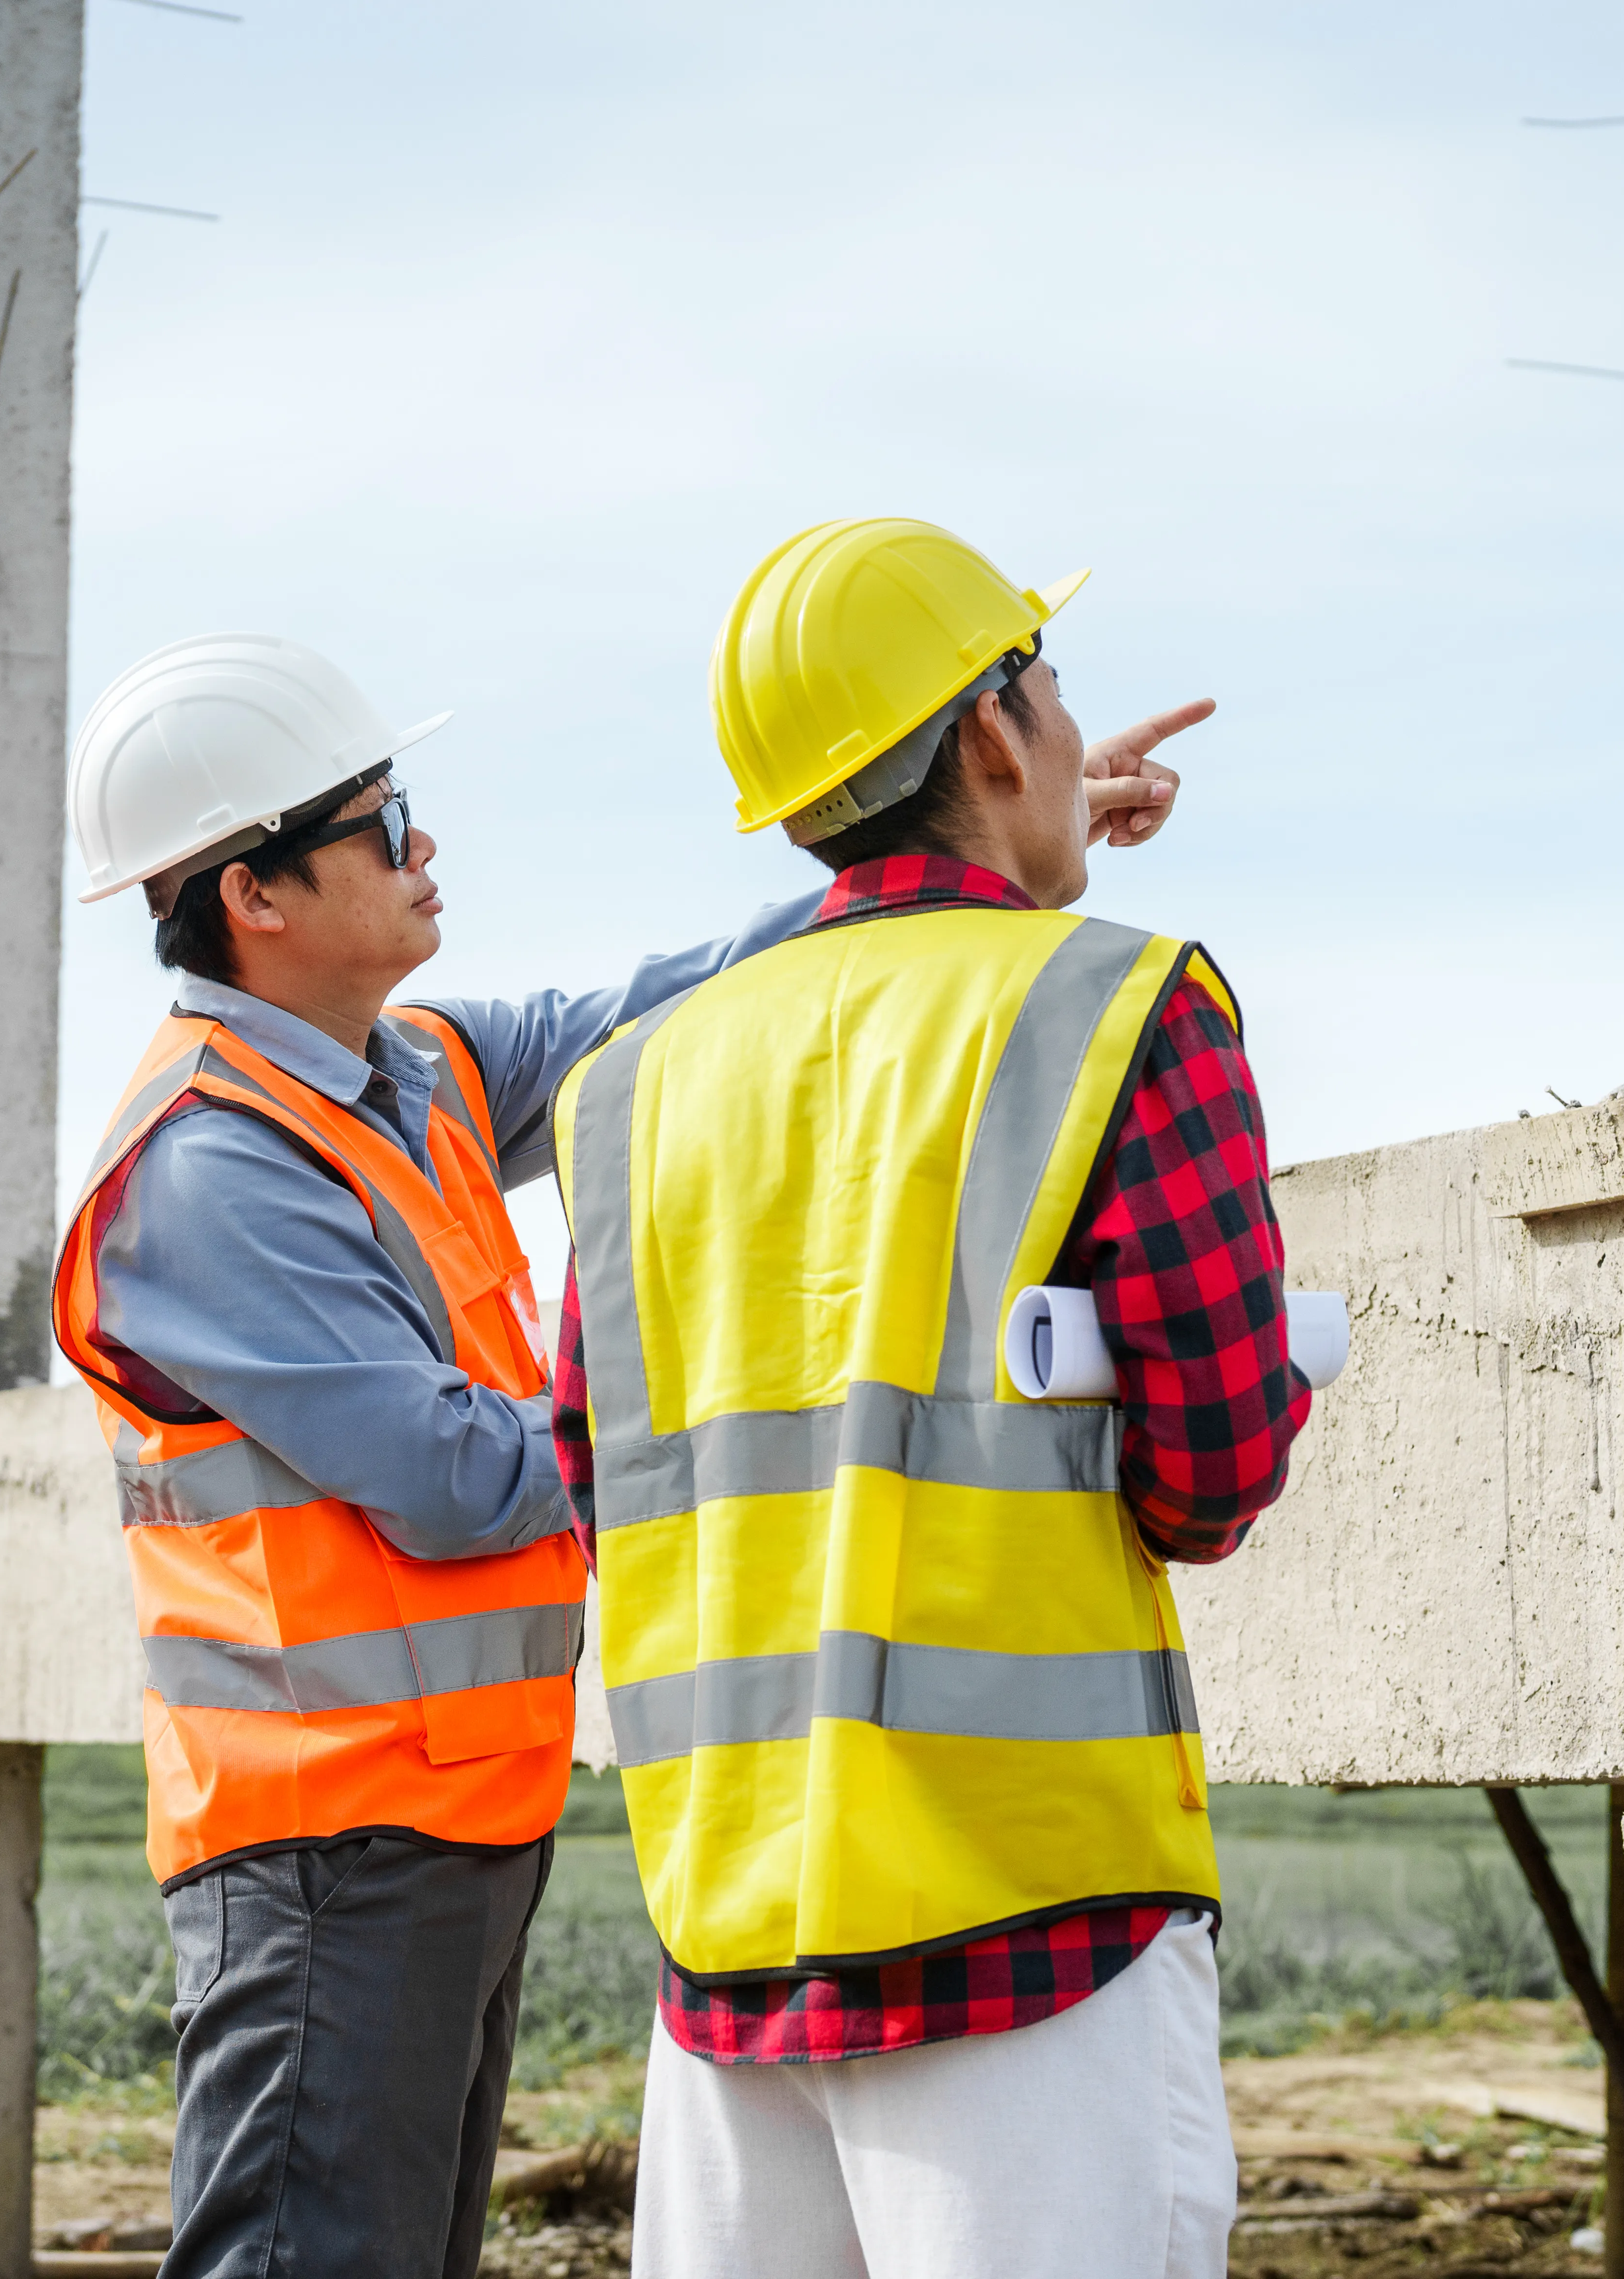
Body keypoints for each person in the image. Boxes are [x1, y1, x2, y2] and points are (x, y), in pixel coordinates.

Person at [46, 628, 1197, 2279]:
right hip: (320, 1848)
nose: (423, 844)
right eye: (384, 823)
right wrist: (696, 1423)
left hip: (447, 1821)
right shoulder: (208, 1170)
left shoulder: (415, 1072)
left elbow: (657, 1005)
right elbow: (449, 1479)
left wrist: (972, 848)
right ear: (260, 898)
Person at [550, 520, 1316, 2279]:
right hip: (1028, 1931)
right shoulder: (1124, 1008)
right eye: (1047, 691)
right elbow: (1216, 1472)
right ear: (988, 734)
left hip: (729, 1941)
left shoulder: (629, 1091)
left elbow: (606, 1486)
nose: (1066, 730)